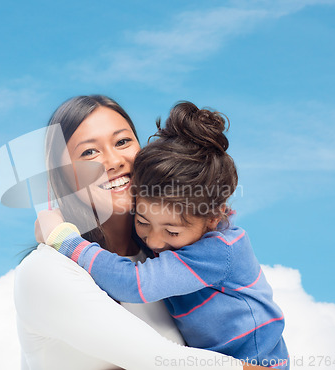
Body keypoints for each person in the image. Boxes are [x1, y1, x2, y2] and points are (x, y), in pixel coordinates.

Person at [41, 102, 289, 369]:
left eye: (172, 231)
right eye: (143, 221)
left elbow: (133, 284)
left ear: (214, 218)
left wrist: (65, 239)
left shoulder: (217, 249)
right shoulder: (47, 271)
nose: (155, 242)